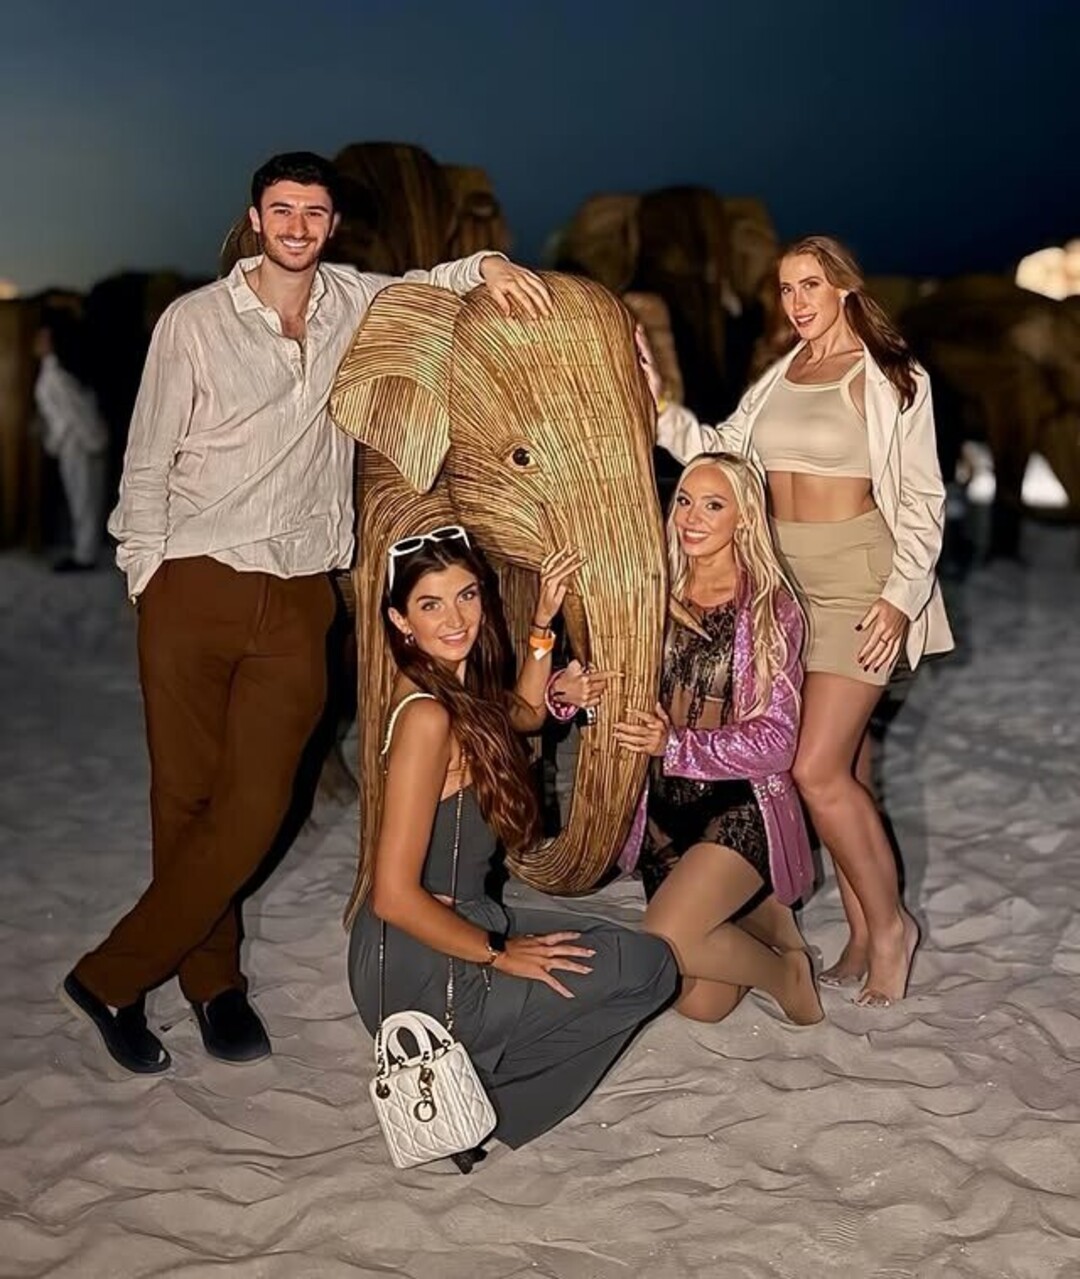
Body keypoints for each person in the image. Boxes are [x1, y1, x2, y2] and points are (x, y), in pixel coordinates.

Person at [62, 151, 552, 1075]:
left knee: (257, 803)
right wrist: (146, 579)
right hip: (193, 579)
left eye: (314, 213)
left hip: (297, 594)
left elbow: (425, 287)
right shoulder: (194, 322)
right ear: (255, 218)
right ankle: (214, 983)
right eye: (282, 210)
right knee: (184, 797)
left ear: (332, 224)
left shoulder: (352, 302)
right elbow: (146, 457)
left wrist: (486, 264)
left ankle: (109, 976)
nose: (297, 227)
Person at [642, 234, 954, 1007]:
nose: (797, 302)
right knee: (846, 770)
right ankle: (861, 927)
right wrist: (661, 408)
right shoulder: (782, 374)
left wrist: (900, 595)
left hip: (858, 583)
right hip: (785, 586)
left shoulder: (892, 375)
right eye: (786, 289)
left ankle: (893, 929)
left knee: (815, 768)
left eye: (810, 285)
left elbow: (923, 498)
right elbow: (722, 454)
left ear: (844, 286)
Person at [348, 529, 677, 1165]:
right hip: (425, 964)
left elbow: (525, 712)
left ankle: (474, 1086)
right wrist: (499, 954)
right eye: (431, 604)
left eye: (467, 595)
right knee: (649, 968)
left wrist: (543, 626)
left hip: (447, 927)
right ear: (400, 620)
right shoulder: (426, 717)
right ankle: (485, 1100)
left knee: (608, 943)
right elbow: (391, 895)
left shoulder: (454, 690)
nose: (456, 619)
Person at [602, 453, 822, 1027]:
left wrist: (674, 746)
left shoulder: (770, 610)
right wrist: (567, 691)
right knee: (700, 1003)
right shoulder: (651, 592)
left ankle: (788, 976)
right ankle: (754, 916)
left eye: (713, 505)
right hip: (663, 813)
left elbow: (777, 741)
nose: (691, 518)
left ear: (743, 518)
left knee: (667, 936)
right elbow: (608, 686)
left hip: (737, 806)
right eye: (684, 501)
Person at [33, 313, 109, 571]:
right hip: (79, 440)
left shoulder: (55, 374)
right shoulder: (56, 370)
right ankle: (84, 550)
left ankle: (84, 555)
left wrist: (57, 440)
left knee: (83, 498)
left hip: (77, 442)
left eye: (44, 338)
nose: (38, 342)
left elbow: (70, 414)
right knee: (84, 497)